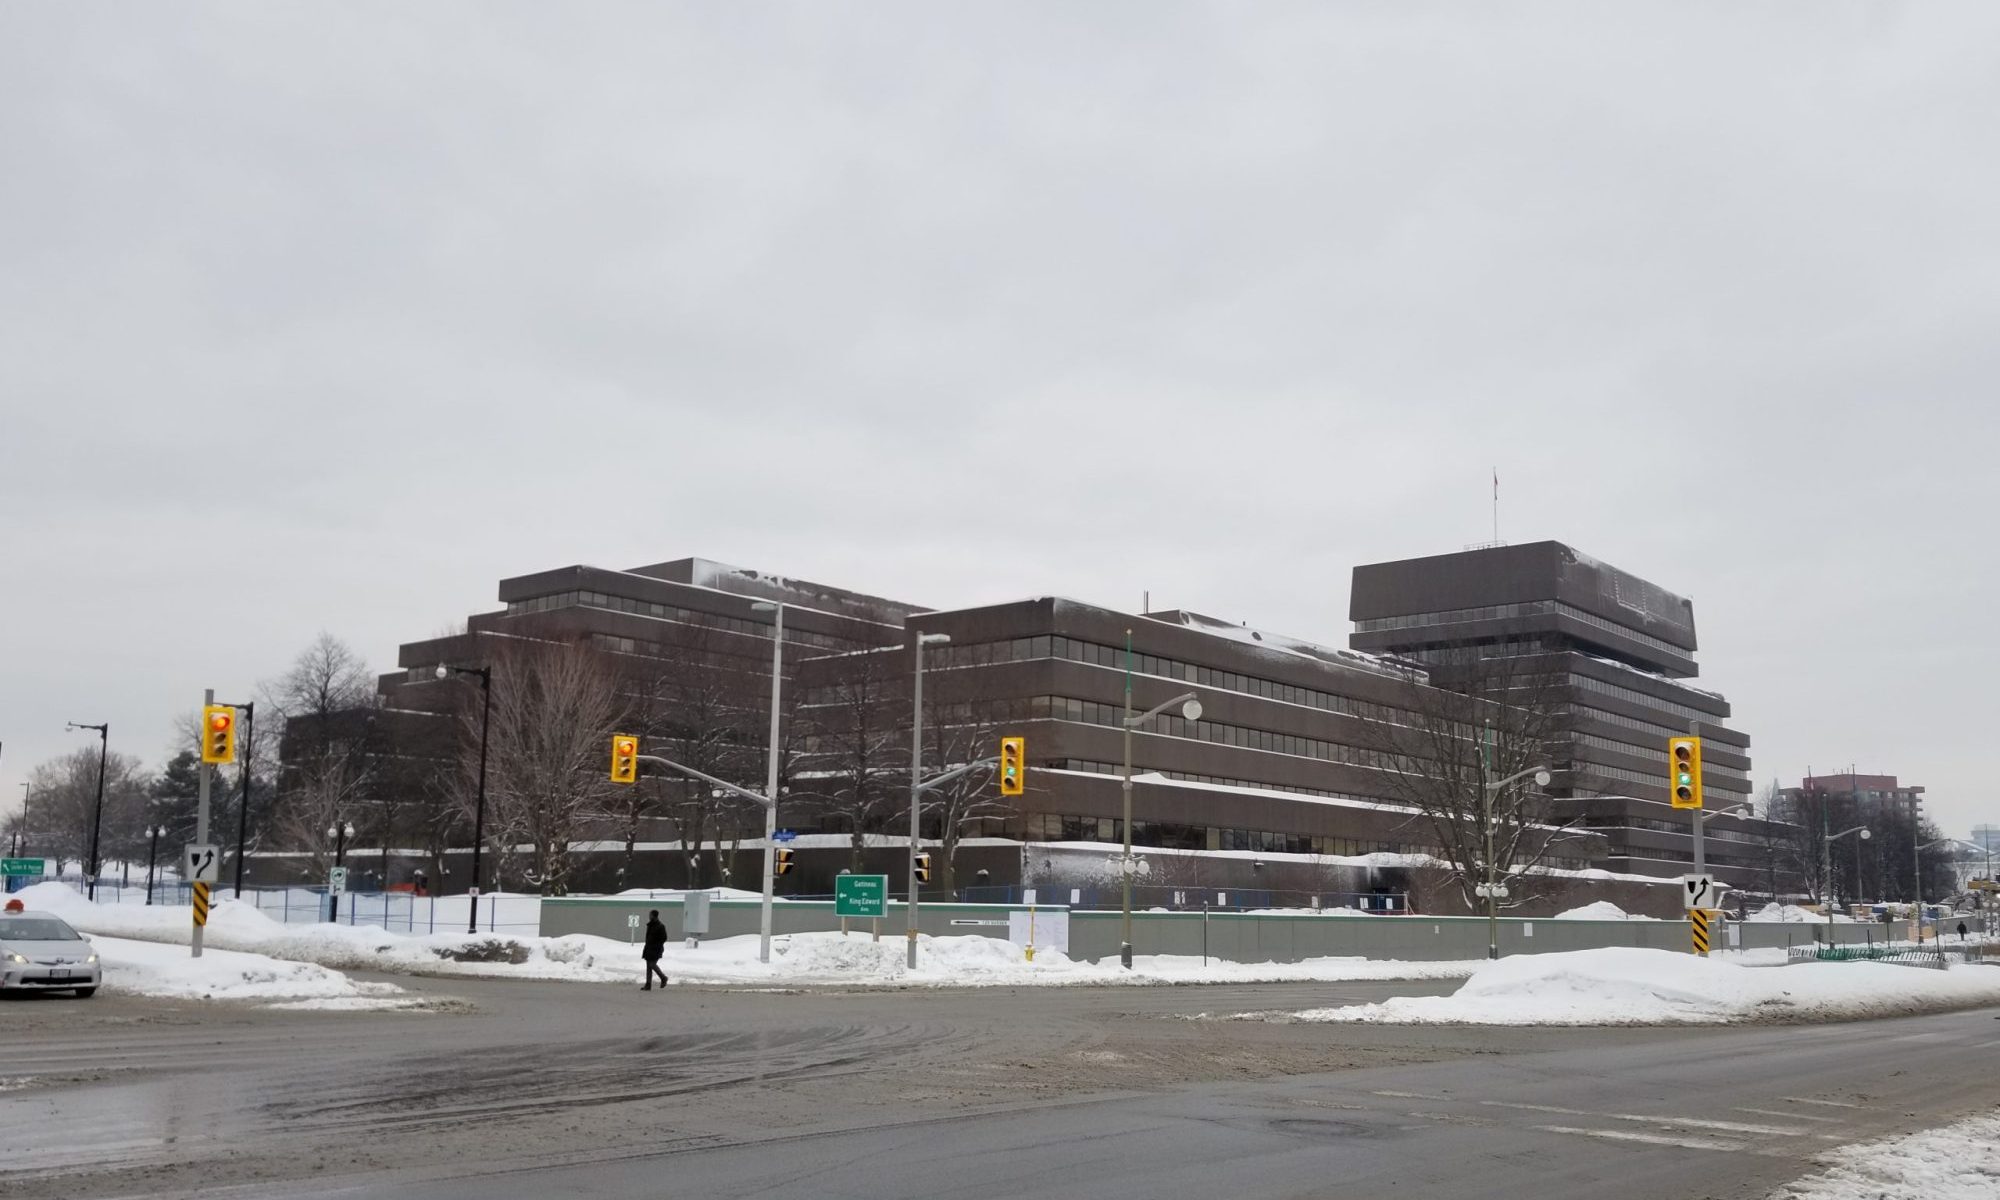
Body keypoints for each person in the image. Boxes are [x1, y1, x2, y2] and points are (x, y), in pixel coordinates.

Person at [641, 909, 668, 991]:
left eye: (650, 915)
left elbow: (664, 938)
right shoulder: (650, 925)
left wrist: (656, 945)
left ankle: (663, 977)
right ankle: (648, 984)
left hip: (656, 949)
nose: (649, 916)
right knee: (648, 966)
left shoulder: (660, 926)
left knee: (652, 964)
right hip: (649, 948)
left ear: (653, 915)